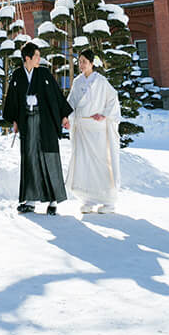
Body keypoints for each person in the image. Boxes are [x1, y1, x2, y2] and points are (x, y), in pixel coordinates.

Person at [2, 41, 71, 215]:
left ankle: (53, 200)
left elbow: (56, 96)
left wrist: (63, 115)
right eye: (37, 56)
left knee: (48, 157)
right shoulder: (18, 75)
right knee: (30, 158)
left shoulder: (44, 74)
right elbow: (13, 99)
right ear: (28, 58)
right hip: (26, 120)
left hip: (45, 120)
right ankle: (31, 200)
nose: (40, 59)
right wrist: (15, 120)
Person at [66, 48, 121, 214]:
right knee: (84, 163)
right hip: (82, 128)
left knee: (102, 163)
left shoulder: (101, 81)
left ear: (91, 63)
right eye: (79, 61)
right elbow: (71, 102)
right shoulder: (77, 82)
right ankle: (87, 199)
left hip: (98, 129)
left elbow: (113, 99)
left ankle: (108, 200)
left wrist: (104, 114)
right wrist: (67, 118)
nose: (81, 65)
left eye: (84, 61)